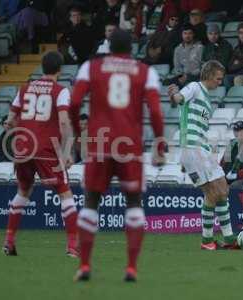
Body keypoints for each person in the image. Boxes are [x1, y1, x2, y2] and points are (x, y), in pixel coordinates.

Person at [70, 29, 166, 282]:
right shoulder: (146, 72)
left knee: (91, 202)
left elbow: (74, 102)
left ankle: (84, 265)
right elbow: (156, 111)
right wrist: (159, 142)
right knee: (133, 204)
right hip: (130, 146)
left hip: (99, 143)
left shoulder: (90, 67)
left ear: (108, 47)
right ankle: (131, 268)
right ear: (132, 48)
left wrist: (76, 131)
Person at [2, 51, 79, 258]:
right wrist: (66, 152)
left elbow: (10, 121)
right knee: (65, 193)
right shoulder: (61, 91)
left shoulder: (25, 88)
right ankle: (73, 246)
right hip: (45, 149)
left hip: (23, 148)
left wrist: (12, 127)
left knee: (23, 192)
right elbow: (64, 122)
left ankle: (9, 241)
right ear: (59, 70)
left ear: (42, 67)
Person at [168, 60, 239, 251]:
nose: (220, 82)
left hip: (196, 149)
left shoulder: (207, 99)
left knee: (216, 193)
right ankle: (225, 238)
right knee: (221, 188)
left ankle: (210, 240)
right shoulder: (194, 87)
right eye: (218, 78)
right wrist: (174, 94)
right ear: (208, 75)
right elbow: (180, 98)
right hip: (193, 148)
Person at [171, 23, 204, 87]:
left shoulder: (200, 48)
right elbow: (177, 66)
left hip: (197, 77)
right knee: (166, 83)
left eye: (190, 33)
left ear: (193, 34)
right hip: (182, 77)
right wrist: (181, 76)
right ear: (182, 35)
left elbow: (203, 66)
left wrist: (189, 75)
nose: (187, 36)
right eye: (185, 33)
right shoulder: (178, 49)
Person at [222, 121, 243, 190]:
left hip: (241, 178)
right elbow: (223, 162)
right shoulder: (232, 143)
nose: (238, 133)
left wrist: (236, 175)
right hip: (227, 177)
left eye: (240, 130)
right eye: (236, 130)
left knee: (234, 186)